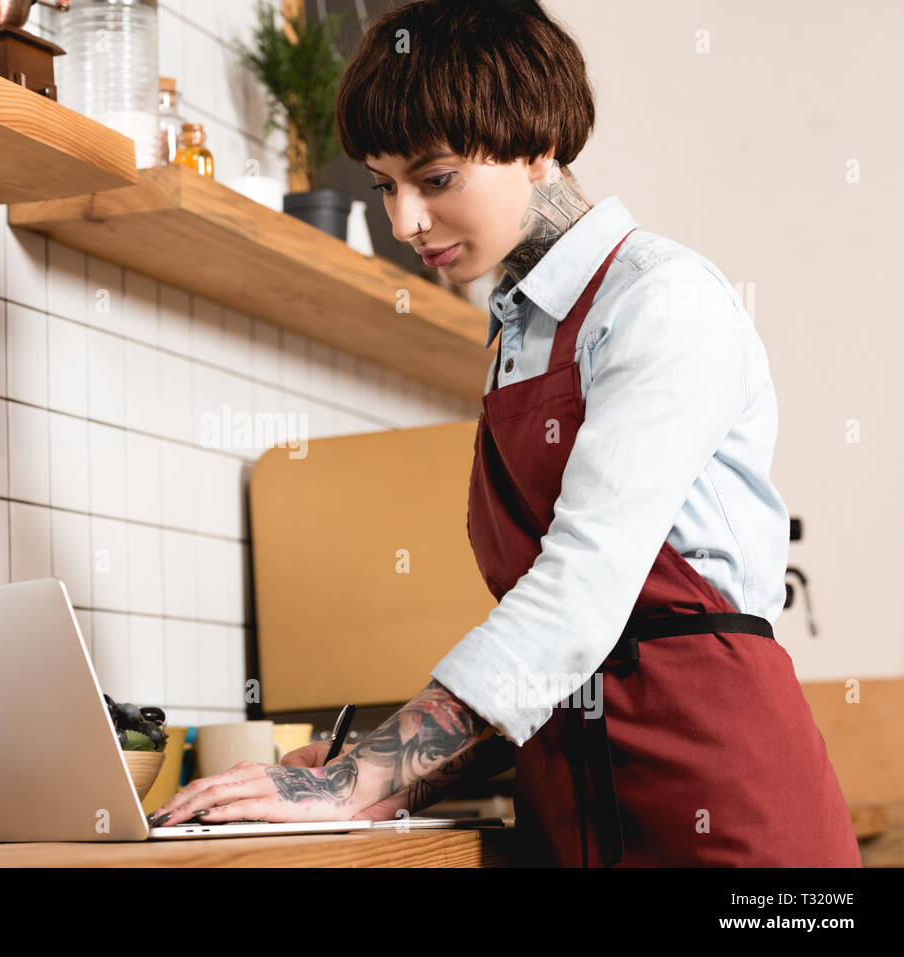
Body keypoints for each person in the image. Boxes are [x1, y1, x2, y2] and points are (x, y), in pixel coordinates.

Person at [148, 0, 860, 867]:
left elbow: (579, 595)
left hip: (723, 805)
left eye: (435, 178)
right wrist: (385, 774)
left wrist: (359, 778)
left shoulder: (661, 300)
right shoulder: (517, 338)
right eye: (384, 185)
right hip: (572, 810)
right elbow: (553, 657)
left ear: (538, 144)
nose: (403, 221)